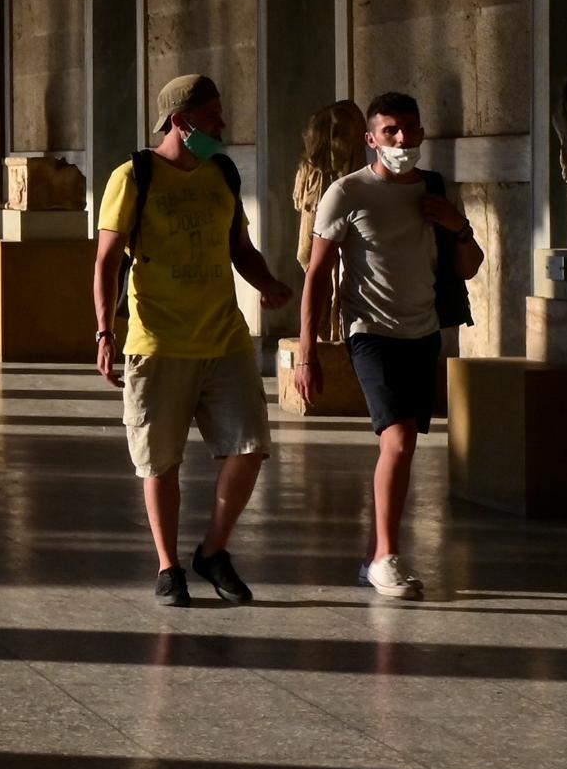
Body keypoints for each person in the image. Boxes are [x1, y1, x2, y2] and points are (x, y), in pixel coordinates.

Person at [92, 74, 295, 607]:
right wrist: (105, 331)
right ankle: (168, 566)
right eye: (212, 118)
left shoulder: (221, 173)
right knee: (160, 461)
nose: (222, 128)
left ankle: (213, 551)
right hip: (158, 341)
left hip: (225, 338)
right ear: (181, 123)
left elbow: (239, 247)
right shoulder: (133, 176)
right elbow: (107, 260)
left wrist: (267, 283)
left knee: (249, 446)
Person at [295, 91, 483, 600]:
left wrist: (457, 226)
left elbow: (468, 267)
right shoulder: (347, 192)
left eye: (410, 130)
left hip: (422, 334)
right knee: (398, 440)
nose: (402, 140)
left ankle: (376, 553)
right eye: (391, 131)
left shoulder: (435, 192)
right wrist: (306, 353)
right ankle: (385, 557)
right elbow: (317, 274)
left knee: (400, 445)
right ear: (370, 138)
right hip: (369, 333)